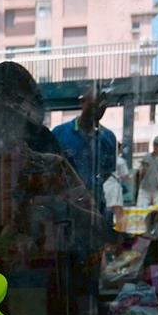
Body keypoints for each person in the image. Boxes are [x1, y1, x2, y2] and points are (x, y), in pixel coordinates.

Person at [52, 87, 118, 221]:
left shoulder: (108, 138)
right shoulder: (59, 133)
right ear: (82, 102)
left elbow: (106, 172)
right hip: (65, 208)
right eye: (93, 105)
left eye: (102, 106)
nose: (98, 110)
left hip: (96, 207)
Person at [136, 135, 158, 207]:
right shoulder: (147, 157)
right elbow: (140, 173)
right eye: (154, 144)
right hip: (145, 188)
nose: (155, 146)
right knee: (142, 208)